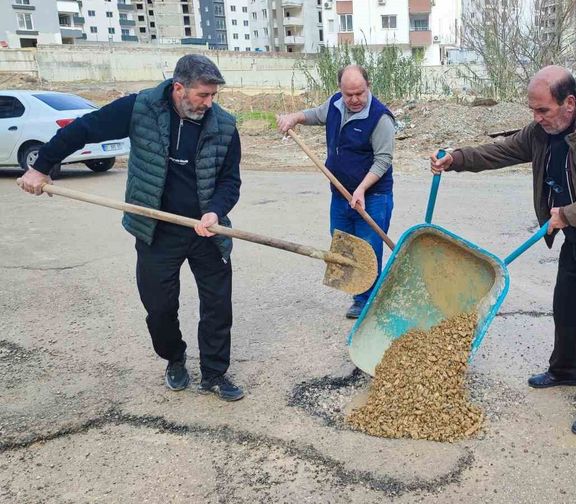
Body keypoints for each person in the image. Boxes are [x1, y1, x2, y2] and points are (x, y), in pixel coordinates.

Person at [17, 54, 245, 401]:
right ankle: (175, 359)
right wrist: (42, 166)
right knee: (160, 307)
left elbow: (230, 181)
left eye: (213, 96)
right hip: (155, 229)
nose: (209, 103)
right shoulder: (141, 108)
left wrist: (215, 212)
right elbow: (84, 128)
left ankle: (214, 373)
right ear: (179, 88)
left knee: (217, 305)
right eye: (202, 95)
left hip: (206, 231)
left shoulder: (224, 126)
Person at [430, 65, 576, 435]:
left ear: (569, 104)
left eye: (543, 110)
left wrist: (569, 214)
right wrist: (457, 160)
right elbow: (501, 151)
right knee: (566, 309)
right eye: (533, 110)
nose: (536, 117)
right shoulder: (541, 134)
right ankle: (564, 370)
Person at [276, 65, 395, 319]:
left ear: (368, 87)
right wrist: (294, 117)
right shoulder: (335, 104)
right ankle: (360, 293)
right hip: (340, 194)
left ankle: (366, 301)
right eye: (348, 94)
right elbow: (316, 114)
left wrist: (362, 189)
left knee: (369, 247)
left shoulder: (380, 118)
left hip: (373, 196)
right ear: (340, 90)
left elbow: (383, 161)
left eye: (359, 94)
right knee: (342, 242)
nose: (354, 100)